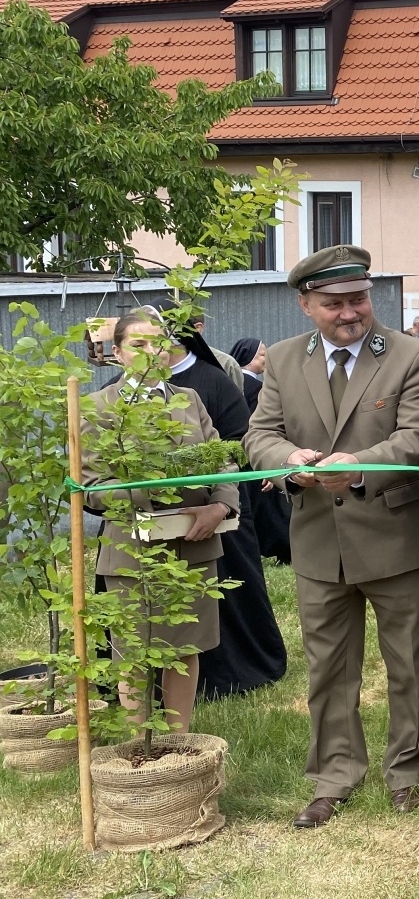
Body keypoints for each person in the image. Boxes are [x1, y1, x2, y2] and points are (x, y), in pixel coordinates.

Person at [244, 246, 419, 829]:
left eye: (358, 299)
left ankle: (406, 773)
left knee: (408, 663)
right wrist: (289, 460)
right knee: (328, 668)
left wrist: (358, 466)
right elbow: (260, 435)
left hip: (395, 538)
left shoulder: (411, 355)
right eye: (334, 304)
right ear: (306, 305)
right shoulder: (283, 359)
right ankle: (334, 777)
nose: (350, 312)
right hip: (316, 541)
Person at [85, 312, 239, 736]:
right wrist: (152, 490)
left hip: (194, 544)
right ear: (117, 354)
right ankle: (141, 747)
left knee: (186, 649)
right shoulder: (99, 407)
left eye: (159, 343)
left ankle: (179, 742)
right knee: (134, 654)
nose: (152, 353)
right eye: (138, 345)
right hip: (132, 549)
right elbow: (92, 486)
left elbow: (222, 462)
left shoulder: (190, 400)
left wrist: (220, 506)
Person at [162, 320, 287, 701]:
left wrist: (217, 500)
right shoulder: (119, 393)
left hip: (218, 508)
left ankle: (233, 669)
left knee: (222, 592)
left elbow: (239, 440)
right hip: (150, 521)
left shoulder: (212, 380)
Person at [231, 336, 294, 565]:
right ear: (248, 357)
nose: (265, 360)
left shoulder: (230, 383)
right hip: (257, 459)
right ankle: (283, 550)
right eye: (261, 355)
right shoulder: (258, 388)